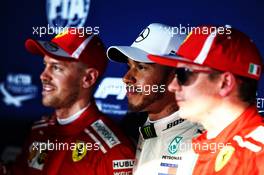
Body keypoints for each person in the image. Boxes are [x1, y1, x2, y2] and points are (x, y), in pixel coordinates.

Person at [10, 28, 135, 175]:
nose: (43, 76)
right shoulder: (39, 131)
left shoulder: (112, 151)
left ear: (88, 78)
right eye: (46, 65)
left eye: (56, 67)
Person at [148, 25, 264, 174]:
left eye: (185, 74)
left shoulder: (258, 154)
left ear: (225, 83)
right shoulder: (201, 148)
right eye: (175, 73)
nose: (172, 86)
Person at [107, 23, 201, 175]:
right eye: (129, 67)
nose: (126, 78)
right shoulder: (138, 127)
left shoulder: (200, 142)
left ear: (176, 75)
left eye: (141, 67)